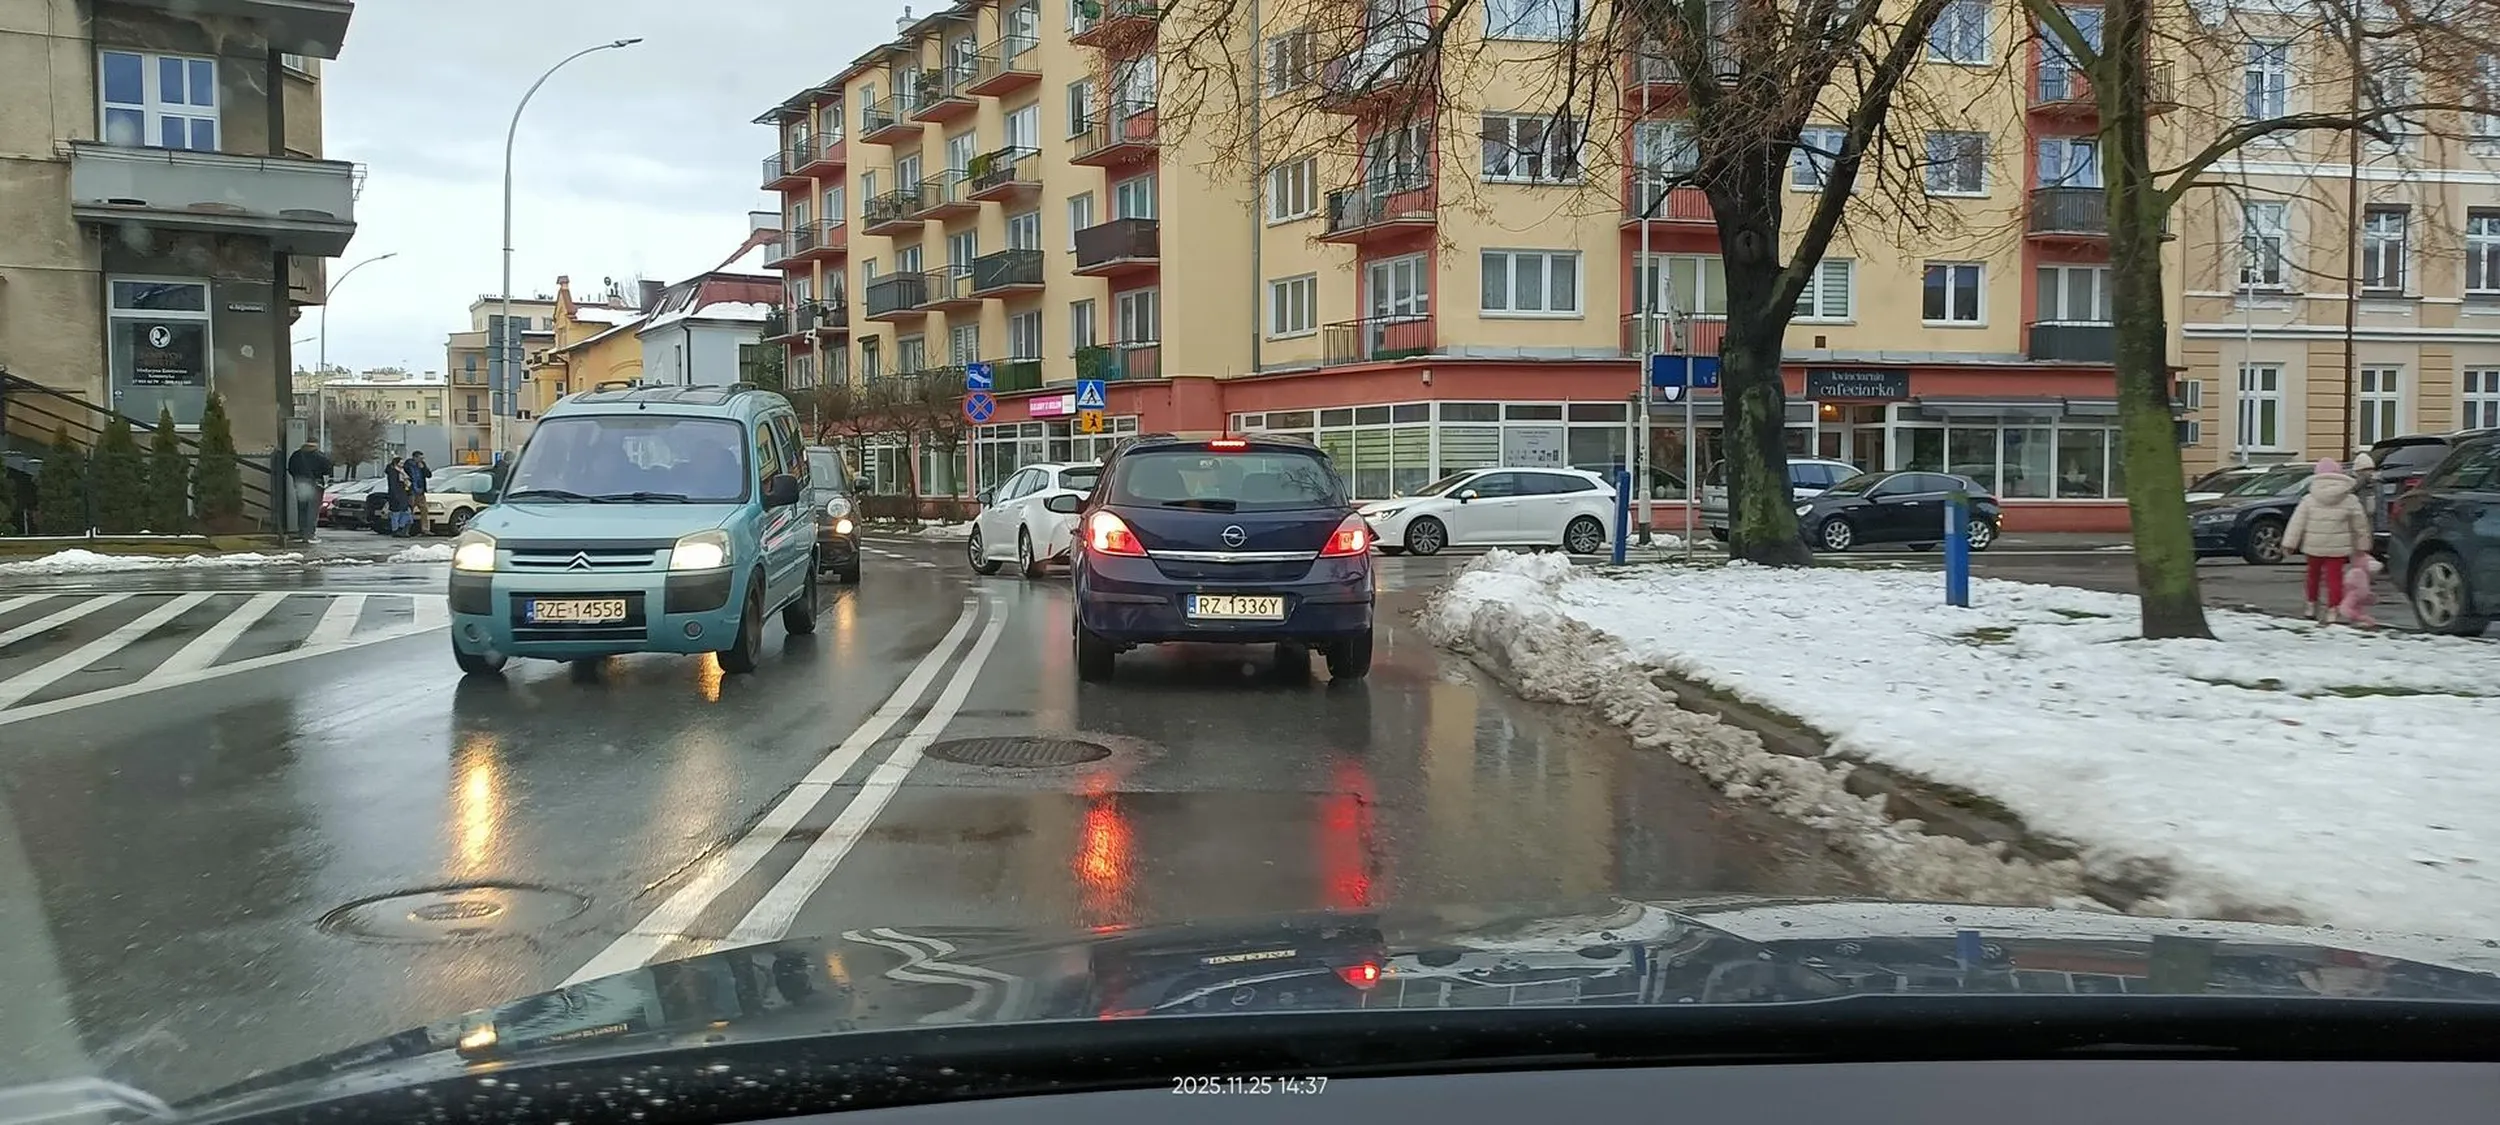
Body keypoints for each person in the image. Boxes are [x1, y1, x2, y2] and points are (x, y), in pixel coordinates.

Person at [2282, 457, 2374, 625]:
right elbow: (2360, 525)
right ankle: (2333, 609)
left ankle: (2311, 606)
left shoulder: (2309, 499)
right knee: (2334, 578)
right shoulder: (2350, 499)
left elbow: (2297, 523)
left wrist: (2289, 544)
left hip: (2313, 546)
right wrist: (2362, 546)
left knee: (2313, 575)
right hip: (2338, 548)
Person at [284, 440, 332, 542]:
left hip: (300, 483)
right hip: (316, 484)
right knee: (313, 510)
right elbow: (328, 469)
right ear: (315, 445)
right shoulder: (319, 455)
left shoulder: (296, 455)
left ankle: (301, 531)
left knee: (302, 509)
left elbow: (291, 469)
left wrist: (298, 478)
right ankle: (310, 534)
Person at [385, 455, 413, 538]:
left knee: (405, 513)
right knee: (396, 513)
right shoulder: (393, 472)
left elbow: (407, 483)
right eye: (401, 463)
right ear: (395, 463)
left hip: (403, 495)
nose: (402, 464)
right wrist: (395, 496)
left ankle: (400, 528)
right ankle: (396, 530)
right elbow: (393, 485)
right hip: (396, 496)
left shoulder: (402, 472)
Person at [404, 450, 431, 535]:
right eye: (420, 458)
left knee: (424, 509)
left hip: (421, 491)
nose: (422, 460)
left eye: (422, 458)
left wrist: (423, 468)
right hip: (412, 491)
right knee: (409, 510)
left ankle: (425, 529)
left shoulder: (422, 465)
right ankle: (406, 529)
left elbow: (429, 475)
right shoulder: (408, 465)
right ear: (415, 457)